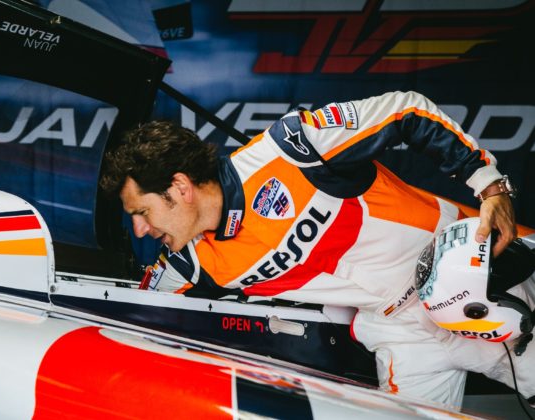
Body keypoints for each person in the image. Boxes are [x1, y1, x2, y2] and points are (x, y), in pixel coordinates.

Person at [101, 90, 534, 408]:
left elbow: (406, 111)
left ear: (180, 187)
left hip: (477, 274)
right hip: (403, 333)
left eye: (142, 211)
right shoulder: (190, 263)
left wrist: (490, 186)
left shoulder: (290, 150)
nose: (139, 229)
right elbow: (126, 318)